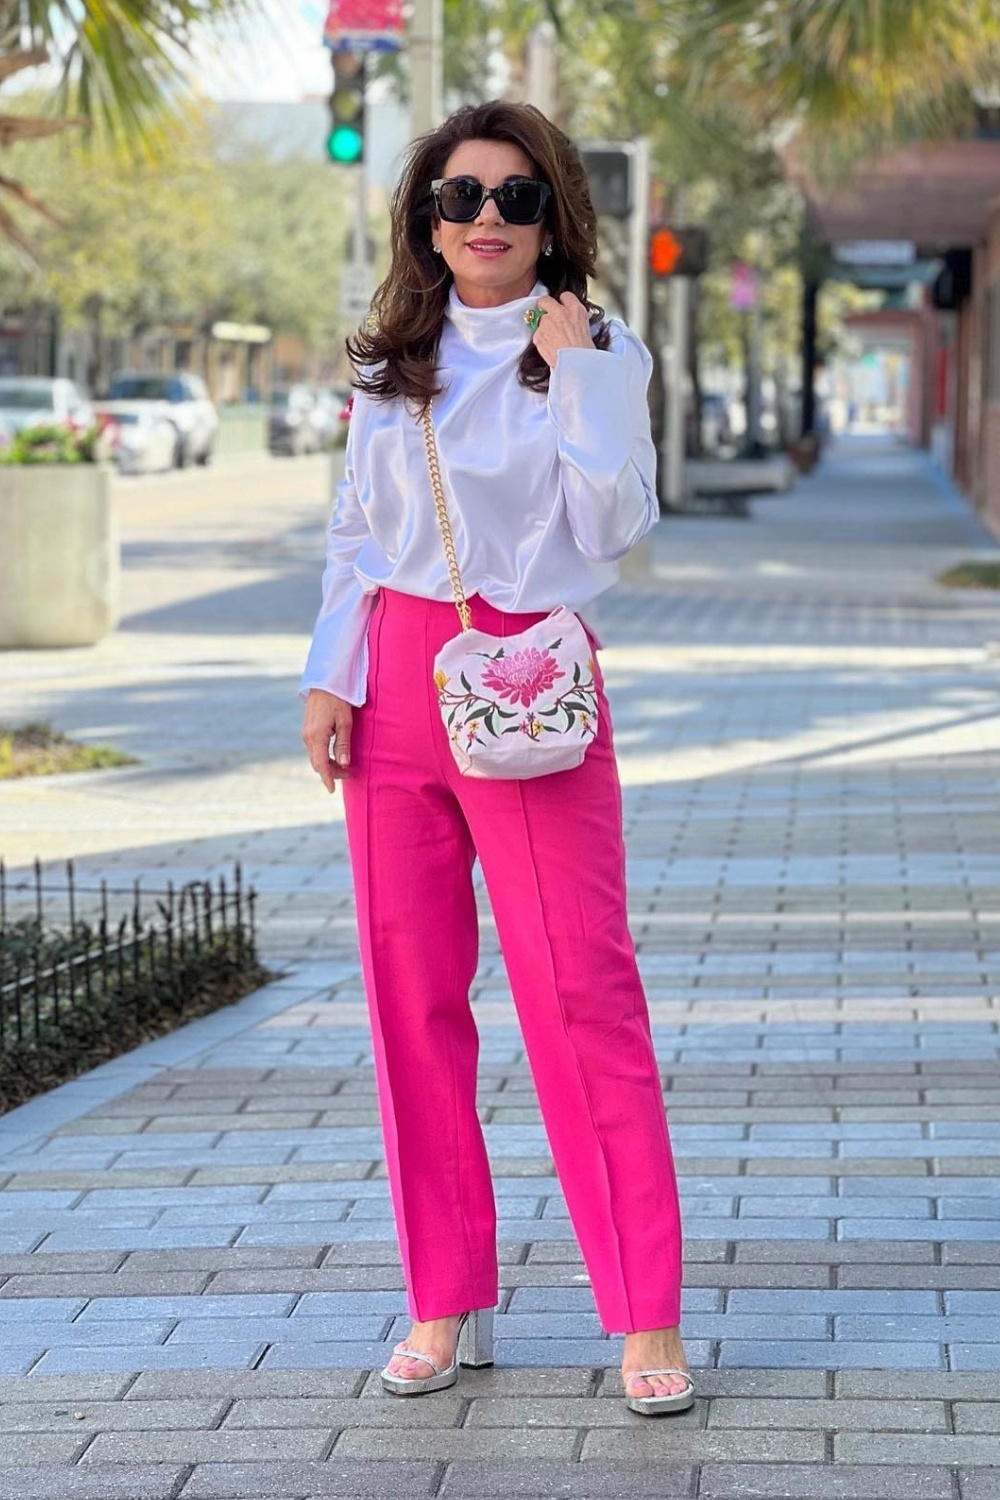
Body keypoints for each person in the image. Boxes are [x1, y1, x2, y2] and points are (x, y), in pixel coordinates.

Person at [300, 99, 692, 1417]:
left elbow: (616, 522)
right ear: (426, 217)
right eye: (462, 196)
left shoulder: (594, 347)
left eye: (516, 199)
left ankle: (643, 1314)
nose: (486, 220)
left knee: (582, 997)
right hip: (400, 684)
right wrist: (328, 675)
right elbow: (355, 537)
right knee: (412, 1000)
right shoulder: (389, 365)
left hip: (537, 680)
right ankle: (443, 1296)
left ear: (551, 220)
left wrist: (579, 369)